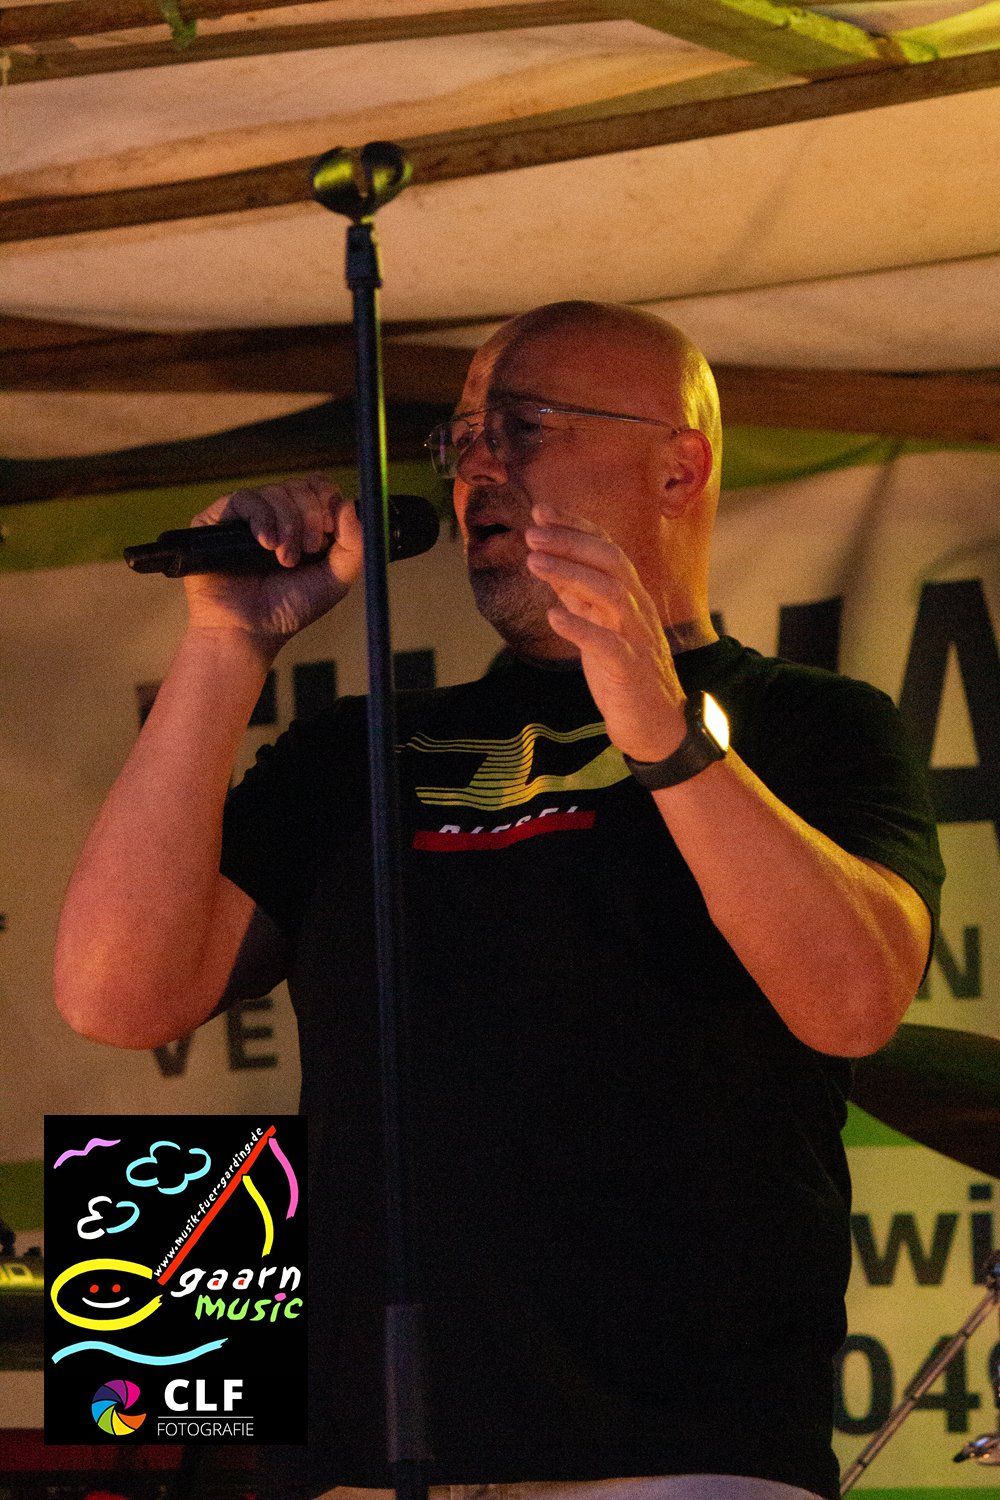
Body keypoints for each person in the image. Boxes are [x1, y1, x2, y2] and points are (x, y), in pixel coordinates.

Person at [55, 302, 944, 1500]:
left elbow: (851, 1004)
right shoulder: (358, 749)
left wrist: (658, 720)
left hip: (675, 1452)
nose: (476, 466)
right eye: (462, 437)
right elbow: (112, 997)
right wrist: (227, 645)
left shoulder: (808, 723)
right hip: (362, 1458)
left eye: (523, 427)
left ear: (678, 466)